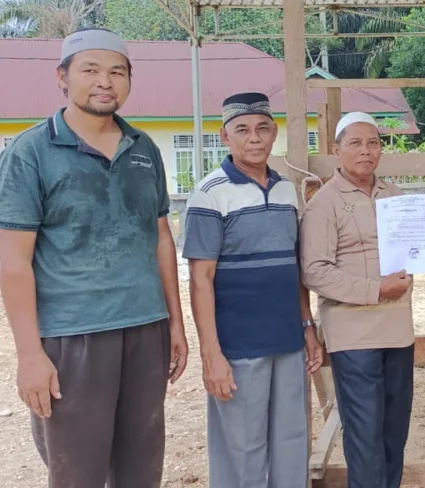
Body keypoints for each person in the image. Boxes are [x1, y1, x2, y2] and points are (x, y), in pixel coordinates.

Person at [0, 27, 188, 487]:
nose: (105, 81)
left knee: (141, 468)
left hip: (145, 328)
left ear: (129, 80)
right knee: (77, 472)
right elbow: (13, 262)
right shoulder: (31, 152)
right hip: (73, 336)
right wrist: (29, 355)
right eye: (90, 70)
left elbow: (161, 238)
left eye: (117, 72)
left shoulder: (143, 148)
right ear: (62, 77)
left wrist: (175, 325)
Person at [299, 111, 425, 488]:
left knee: (394, 432)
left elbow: (414, 256)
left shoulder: (394, 197)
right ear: (337, 151)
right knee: (365, 434)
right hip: (353, 335)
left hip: (397, 330)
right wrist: (377, 289)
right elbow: (314, 272)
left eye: (373, 143)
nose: (366, 151)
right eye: (355, 143)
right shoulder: (324, 204)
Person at [182, 92, 324, 487]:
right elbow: (200, 279)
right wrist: (211, 355)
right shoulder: (210, 194)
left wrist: (307, 327)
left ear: (274, 133)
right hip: (238, 347)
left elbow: (293, 267)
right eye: (242, 130)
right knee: (242, 451)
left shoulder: (285, 190)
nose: (254, 138)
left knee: (292, 444)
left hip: (288, 342)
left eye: (262, 128)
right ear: (225, 137)